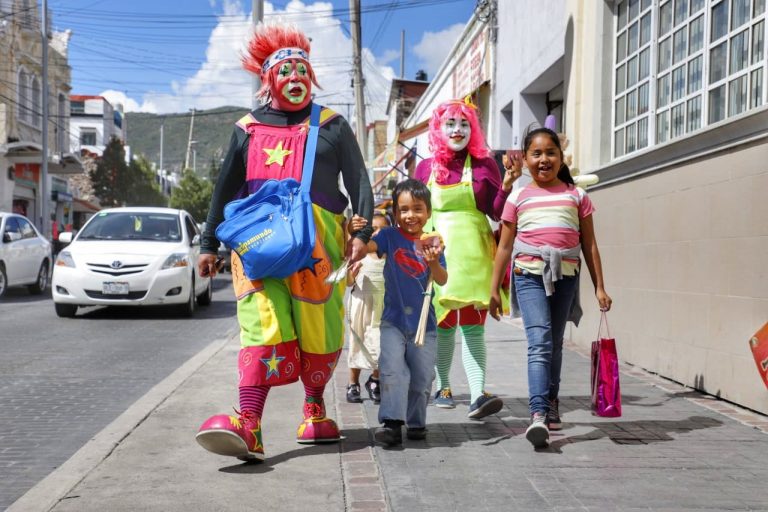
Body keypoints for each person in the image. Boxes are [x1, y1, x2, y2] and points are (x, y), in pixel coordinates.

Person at [194, 23, 373, 462]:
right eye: (285, 71)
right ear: (269, 79)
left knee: (318, 325)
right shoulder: (247, 128)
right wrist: (208, 244)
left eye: (301, 70)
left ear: (310, 76)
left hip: (320, 245)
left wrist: (360, 233)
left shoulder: (332, 125)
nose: (294, 78)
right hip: (257, 246)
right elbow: (224, 190)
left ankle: (314, 409)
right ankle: (249, 425)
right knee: (261, 322)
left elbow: (359, 183)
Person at [489, 126, 612, 449]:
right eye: (536, 153)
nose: (544, 159)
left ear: (561, 157)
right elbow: (503, 247)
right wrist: (493, 289)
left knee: (555, 342)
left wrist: (600, 286)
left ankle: (552, 400)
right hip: (528, 275)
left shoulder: (577, 196)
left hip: (567, 276)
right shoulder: (518, 196)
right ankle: (538, 413)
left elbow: (591, 245)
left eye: (550, 152)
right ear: (526, 160)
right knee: (540, 341)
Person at [414, 97, 519, 419]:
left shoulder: (486, 165)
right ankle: (443, 386)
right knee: (444, 323)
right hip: (438, 254)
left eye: (464, 124)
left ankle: (477, 393)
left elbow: (497, 211)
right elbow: (414, 213)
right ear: (438, 128)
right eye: (450, 123)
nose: (457, 130)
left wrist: (509, 184)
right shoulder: (424, 167)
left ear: (472, 129)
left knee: (473, 326)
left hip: (475, 253)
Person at [353, 179, 447, 447]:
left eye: (417, 209)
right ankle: (392, 424)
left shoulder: (434, 241)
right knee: (392, 370)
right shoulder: (388, 236)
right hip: (392, 322)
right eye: (404, 210)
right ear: (395, 213)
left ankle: (416, 423)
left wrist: (432, 263)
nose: (410, 216)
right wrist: (356, 233)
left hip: (424, 325)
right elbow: (367, 248)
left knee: (422, 376)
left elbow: (441, 279)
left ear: (428, 212)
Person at [345, 211, 390, 404]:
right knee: (358, 343)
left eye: (382, 228)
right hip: (361, 305)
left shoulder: (390, 255)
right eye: (372, 229)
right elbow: (347, 282)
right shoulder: (358, 254)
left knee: (380, 345)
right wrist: (352, 275)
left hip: (383, 305)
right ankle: (353, 383)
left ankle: (375, 379)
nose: (376, 232)